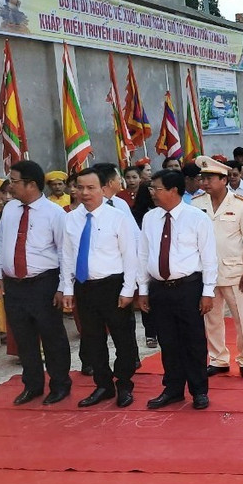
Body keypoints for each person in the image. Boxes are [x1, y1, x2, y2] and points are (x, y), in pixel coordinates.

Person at [0, 160, 72, 406]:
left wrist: (63, 287)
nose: (10, 187)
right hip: (14, 285)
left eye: (14, 181)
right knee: (24, 338)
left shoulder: (54, 213)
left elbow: (65, 253)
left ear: (31, 184)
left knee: (52, 336)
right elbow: (0, 243)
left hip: (43, 283)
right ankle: (32, 385)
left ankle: (60, 384)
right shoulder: (10, 210)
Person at [137, 169, 218, 410]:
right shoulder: (150, 218)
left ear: (173, 190)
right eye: (151, 188)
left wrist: (208, 291)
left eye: (157, 188)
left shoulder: (197, 218)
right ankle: (173, 389)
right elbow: (143, 255)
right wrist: (143, 289)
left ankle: (199, 390)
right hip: (159, 289)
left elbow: (209, 257)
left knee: (193, 341)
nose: (153, 193)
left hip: (188, 288)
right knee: (168, 341)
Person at [60, 167, 139, 408]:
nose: (84, 192)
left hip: (113, 286)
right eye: (80, 187)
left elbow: (130, 255)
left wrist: (128, 290)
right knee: (92, 339)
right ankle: (103, 385)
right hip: (85, 286)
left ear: (103, 189)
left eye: (91, 188)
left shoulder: (117, 217)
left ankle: (124, 384)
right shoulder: (71, 218)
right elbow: (67, 256)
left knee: (123, 338)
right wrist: (67, 289)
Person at [191, 157, 243, 379]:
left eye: (209, 178)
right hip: (207, 273)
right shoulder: (196, 203)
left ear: (224, 180)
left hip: (234, 271)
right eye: (202, 178)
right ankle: (218, 359)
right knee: (211, 318)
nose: (204, 182)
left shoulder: (241, 203)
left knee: (242, 319)